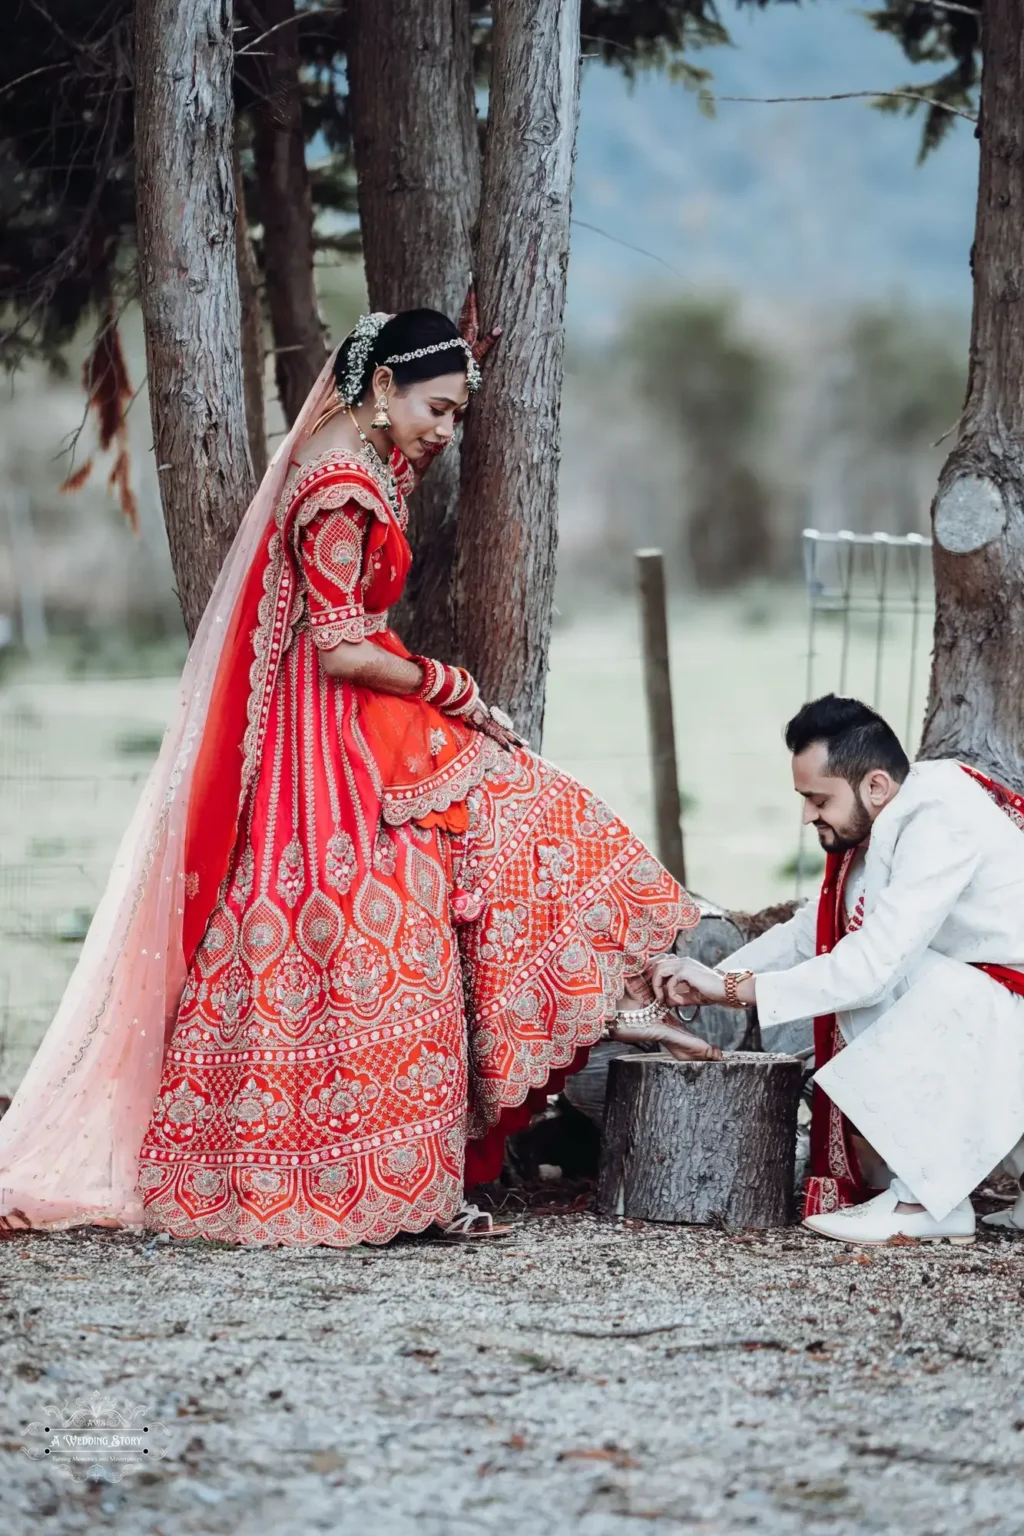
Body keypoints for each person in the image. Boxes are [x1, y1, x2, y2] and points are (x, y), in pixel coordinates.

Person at [0, 307, 720, 1248]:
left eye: (458, 413)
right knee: (408, 911)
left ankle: (628, 998)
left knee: (505, 833)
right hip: (328, 742)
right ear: (382, 387)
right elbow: (340, 647)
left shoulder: (366, 462)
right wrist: (451, 686)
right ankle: (403, 1156)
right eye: (439, 408)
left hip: (353, 721)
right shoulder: (340, 486)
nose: (447, 430)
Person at [652, 695, 1024, 1246]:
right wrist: (707, 978)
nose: (807, 815)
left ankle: (923, 1201)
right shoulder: (884, 819)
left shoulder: (940, 817)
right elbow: (809, 933)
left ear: (875, 786)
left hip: (1005, 1013)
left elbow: (873, 965)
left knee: (884, 976)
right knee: (878, 965)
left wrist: (733, 990)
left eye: (817, 799)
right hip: (998, 1020)